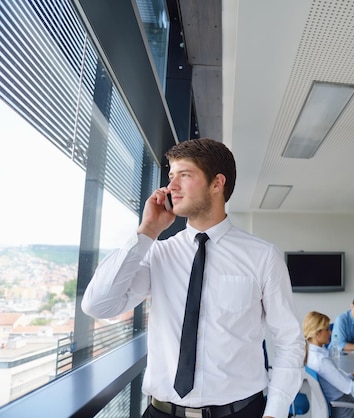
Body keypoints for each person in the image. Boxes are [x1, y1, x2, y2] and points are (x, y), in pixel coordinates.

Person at [81, 138, 305, 418]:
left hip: (240, 412)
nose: (171, 186)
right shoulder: (157, 253)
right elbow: (98, 306)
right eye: (171, 176)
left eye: (184, 176)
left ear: (216, 183)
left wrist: (275, 411)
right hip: (160, 412)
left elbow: (289, 340)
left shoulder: (263, 256)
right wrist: (147, 232)